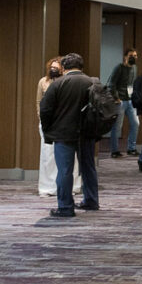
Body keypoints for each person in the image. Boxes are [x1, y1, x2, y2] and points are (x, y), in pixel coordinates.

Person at [39, 52, 99, 218]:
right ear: (82, 67)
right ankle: (91, 200)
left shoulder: (58, 84)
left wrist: (48, 129)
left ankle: (65, 207)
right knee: (88, 167)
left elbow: (45, 109)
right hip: (86, 132)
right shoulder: (92, 82)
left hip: (63, 133)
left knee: (65, 171)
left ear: (64, 68)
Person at [37, 57, 82, 196]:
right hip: (48, 123)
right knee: (48, 157)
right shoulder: (43, 82)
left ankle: (72, 186)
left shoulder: (66, 82)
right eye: (52, 67)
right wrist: (41, 119)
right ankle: (48, 187)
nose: (54, 70)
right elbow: (39, 101)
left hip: (64, 123)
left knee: (69, 157)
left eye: (57, 68)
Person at [106, 47, 140, 158]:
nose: (133, 57)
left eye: (135, 55)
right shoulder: (119, 68)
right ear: (125, 57)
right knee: (117, 127)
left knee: (135, 123)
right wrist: (116, 98)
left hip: (130, 100)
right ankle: (114, 151)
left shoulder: (134, 68)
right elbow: (112, 83)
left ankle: (131, 148)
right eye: (131, 55)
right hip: (120, 100)